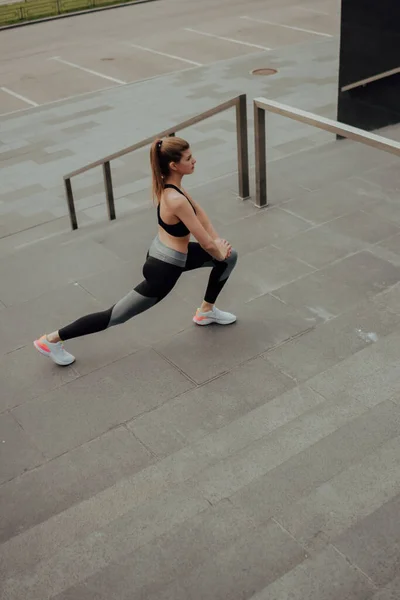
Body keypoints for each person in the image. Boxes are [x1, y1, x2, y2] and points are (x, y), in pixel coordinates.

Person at [34, 137, 238, 366]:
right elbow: (206, 243)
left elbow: (200, 214)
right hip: (165, 269)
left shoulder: (172, 187)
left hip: (163, 252)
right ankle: (51, 339)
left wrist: (219, 242)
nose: (194, 161)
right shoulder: (175, 198)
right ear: (173, 165)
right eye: (189, 158)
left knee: (230, 257)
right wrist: (218, 250)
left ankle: (205, 312)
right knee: (114, 316)